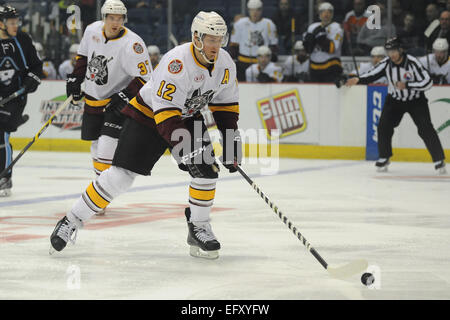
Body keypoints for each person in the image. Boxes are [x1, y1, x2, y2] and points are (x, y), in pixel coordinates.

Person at [50, 11, 242, 260]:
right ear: (196, 37)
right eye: (210, 39)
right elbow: (166, 116)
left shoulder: (226, 65)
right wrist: (186, 148)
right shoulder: (177, 62)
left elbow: (226, 108)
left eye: (219, 39)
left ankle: (199, 226)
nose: (216, 46)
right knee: (120, 177)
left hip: (186, 116)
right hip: (150, 116)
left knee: (206, 170)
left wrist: (231, 142)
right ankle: (72, 220)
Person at [66, 0, 151, 182]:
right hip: (93, 98)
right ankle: (99, 186)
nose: (115, 23)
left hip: (117, 102)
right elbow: (83, 57)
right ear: (104, 18)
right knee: (96, 146)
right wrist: (75, 79)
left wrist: (124, 96)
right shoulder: (91, 30)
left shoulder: (134, 44)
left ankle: (101, 191)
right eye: (111, 18)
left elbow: (145, 78)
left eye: (119, 19)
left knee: (106, 146)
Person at [345, 37, 446, 174]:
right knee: (383, 126)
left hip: (415, 100)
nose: (391, 54)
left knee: (425, 128)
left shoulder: (412, 63)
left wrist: (408, 85)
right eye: (389, 51)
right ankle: (384, 157)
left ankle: (439, 160)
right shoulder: (386, 63)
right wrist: (358, 79)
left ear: (401, 50)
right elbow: (373, 74)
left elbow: (428, 82)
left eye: (394, 51)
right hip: (395, 100)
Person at [0, 5, 42, 197]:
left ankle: (5, 177)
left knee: (1, 132)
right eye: (11, 23)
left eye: (17, 22)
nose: (15, 26)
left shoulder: (23, 40)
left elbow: (36, 67)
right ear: (1, 24)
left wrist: (30, 81)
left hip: (15, 97)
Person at [229, 0, 279, 81]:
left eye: (257, 10)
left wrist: (269, 60)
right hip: (243, 62)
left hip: (262, 63)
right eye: (252, 10)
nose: (255, 12)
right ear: (248, 10)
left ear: (261, 10)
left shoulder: (269, 24)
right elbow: (234, 46)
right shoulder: (240, 24)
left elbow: (274, 46)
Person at [303, 2, 344, 83]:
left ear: (332, 14)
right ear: (319, 14)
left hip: (331, 67)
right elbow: (308, 50)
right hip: (314, 68)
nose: (326, 14)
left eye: (329, 11)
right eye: (323, 11)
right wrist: (308, 43)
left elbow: (332, 48)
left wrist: (320, 38)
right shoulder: (312, 27)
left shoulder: (337, 27)